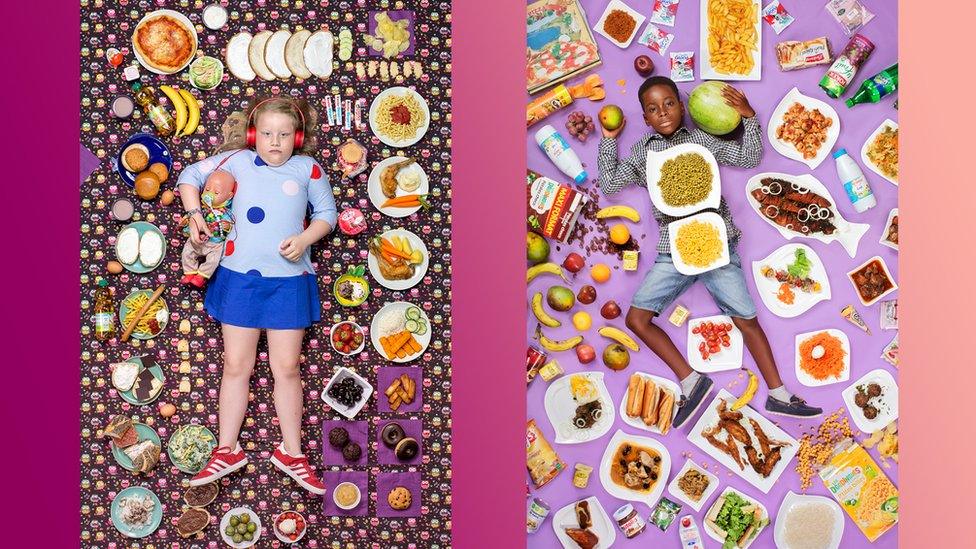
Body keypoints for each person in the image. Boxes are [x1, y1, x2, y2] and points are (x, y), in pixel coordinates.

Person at [597, 76, 822, 428]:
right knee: (636, 320)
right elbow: (610, 184)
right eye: (653, 109)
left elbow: (749, 157)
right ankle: (692, 381)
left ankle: (779, 396)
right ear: (645, 118)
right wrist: (609, 141)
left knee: (746, 320)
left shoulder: (701, 139)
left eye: (669, 104)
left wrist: (748, 115)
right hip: (674, 248)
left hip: (717, 243)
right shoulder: (643, 152)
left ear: (682, 106)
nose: (663, 113)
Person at [179, 96, 337, 494]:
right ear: (253, 134)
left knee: (287, 369)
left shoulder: (308, 169)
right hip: (239, 279)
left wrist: (304, 240)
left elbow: (327, 216)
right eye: (266, 133)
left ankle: (292, 453)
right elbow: (188, 176)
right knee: (236, 365)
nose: (275, 142)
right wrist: (196, 215)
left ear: (297, 137)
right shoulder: (235, 160)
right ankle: (227, 449)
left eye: (284, 135)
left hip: (289, 281)